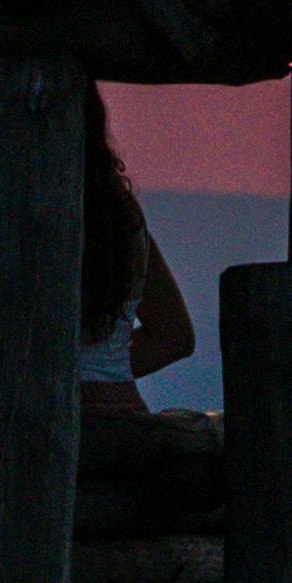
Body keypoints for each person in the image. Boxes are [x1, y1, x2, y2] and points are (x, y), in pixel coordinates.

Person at [77, 95, 195, 411]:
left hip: (38, 423)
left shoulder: (25, 214)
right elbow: (174, 336)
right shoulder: (121, 216)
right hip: (122, 413)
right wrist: (105, 373)